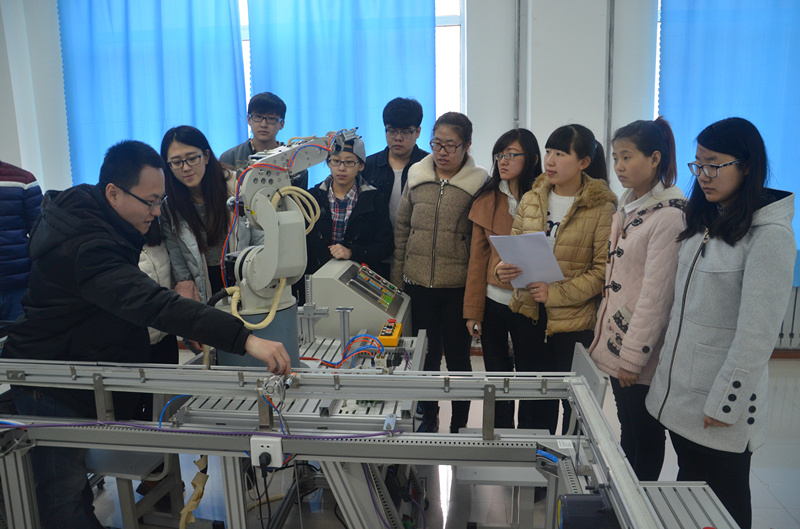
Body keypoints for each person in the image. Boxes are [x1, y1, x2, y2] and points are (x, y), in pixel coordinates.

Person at [3, 140, 290, 529]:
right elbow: (155, 303)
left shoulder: (91, 211)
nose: (157, 212)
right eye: (151, 202)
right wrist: (246, 339)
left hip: (77, 364)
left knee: (71, 491)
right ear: (113, 192)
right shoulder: (86, 247)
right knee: (62, 497)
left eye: (161, 201)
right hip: (49, 383)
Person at [646, 117, 795, 529]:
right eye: (698, 165)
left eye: (715, 165)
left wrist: (725, 404)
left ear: (746, 166)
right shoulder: (706, 221)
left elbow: (756, 338)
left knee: (725, 506)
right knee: (692, 496)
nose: (704, 175)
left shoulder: (770, 237)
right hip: (682, 397)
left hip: (718, 405)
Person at [495, 124, 616, 434]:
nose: (549, 160)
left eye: (560, 154)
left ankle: (568, 461)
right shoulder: (532, 198)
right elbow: (515, 247)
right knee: (533, 399)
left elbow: (602, 273)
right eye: (548, 151)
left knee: (573, 404)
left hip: (572, 323)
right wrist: (503, 270)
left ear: (583, 162)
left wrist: (555, 294)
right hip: (529, 315)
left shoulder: (602, 208)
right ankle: (533, 460)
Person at [587, 117, 684, 481]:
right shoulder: (629, 209)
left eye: (627, 157)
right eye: (615, 158)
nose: (619, 166)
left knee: (643, 433)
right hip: (618, 340)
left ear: (655, 158)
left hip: (638, 352)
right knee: (629, 427)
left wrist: (631, 357)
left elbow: (656, 298)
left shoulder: (669, 217)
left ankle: (640, 500)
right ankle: (627, 496)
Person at [392, 112, 489, 433]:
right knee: (426, 355)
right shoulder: (417, 175)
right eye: (437, 144)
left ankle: (459, 422)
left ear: (467, 146)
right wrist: (398, 281)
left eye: (451, 145)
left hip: (457, 286)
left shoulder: (478, 183)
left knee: (459, 359)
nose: (442, 152)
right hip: (417, 283)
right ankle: (429, 415)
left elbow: (481, 243)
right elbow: (402, 228)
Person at [463, 128, 542, 429]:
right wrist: (473, 312)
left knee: (531, 375)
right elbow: (476, 261)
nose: (503, 161)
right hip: (493, 302)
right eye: (499, 155)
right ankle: (501, 438)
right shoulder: (487, 199)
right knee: (496, 375)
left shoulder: (544, 199)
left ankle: (530, 440)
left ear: (532, 158)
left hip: (532, 302)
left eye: (511, 154)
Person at [160, 125, 264, 305]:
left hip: (246, 283)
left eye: (192, 158)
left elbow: (260, 240)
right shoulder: (169, 207)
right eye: (176, 162)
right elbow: (177, 259)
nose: (186, 168)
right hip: (203, 291)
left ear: (206, 156)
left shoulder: (239, 188)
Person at [303, 137, 393, 297]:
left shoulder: (375, 199)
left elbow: (385, 246)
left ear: (361, 165)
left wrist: (352, 252)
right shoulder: (312, 198)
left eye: (349, 162)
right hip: (318, 281)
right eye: (336, 161)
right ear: (328, 162)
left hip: (359, 284)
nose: (341, 168)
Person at [219, 91, 308, 189]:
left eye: (271, 118)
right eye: (258, 117)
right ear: (248, 119)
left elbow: (300, 197)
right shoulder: (229, 158)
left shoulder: (295, 162)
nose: (263, 124)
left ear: (282, 124)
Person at [362, 97, 429, 227]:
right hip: (376, 236)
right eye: (392, 131)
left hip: (414, 236)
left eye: (405, 132)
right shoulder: (368, 165)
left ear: (418, 132)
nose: (398, 138)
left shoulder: (428, 165)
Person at [0, 159, 42, 322]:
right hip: (19, 283)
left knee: (23, 335)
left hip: (19, 287)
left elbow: (42, 235)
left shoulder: (23, 181)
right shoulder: (22, 180)